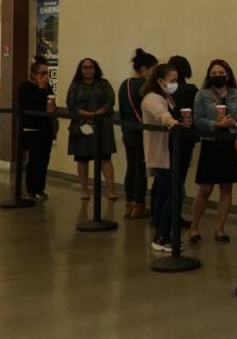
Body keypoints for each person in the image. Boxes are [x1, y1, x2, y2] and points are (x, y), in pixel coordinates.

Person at [190, 59, 237, 243]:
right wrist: (216, 124)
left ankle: (220, 228)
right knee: (205, 188)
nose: (218, 76)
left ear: (228, 75)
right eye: (214, 73)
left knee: (227, 187)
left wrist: (234, 123)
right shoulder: (201, 95)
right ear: (209, 76)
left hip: (230, 144)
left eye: (221, 73)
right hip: (211, 144)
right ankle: (194, 227)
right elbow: (197, 121)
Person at [141, 63, 185, 252]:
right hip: (159, 153)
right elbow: (161, 114)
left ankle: (162, 233)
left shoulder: (165, 96)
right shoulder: (153, 98)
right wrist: (172, 121)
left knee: (164, 193)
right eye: (172, 80)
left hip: (167, 152)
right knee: (177, 193)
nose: (175, 84)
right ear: (160, 81)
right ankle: (161, 235)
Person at [66, 58, 118, 200]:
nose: (88, 70)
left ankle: (111, 190)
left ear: (96, 69)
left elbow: (111, 100)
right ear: (80, 69)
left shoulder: (103, 83)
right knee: (82, 159)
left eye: (91, 67)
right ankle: (84, 190)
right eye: (85, 67)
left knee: (105, 158)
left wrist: (100, 111)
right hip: (82, 125)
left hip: (102, 126)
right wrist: (88, 114)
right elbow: (70, 104)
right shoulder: (75, 85)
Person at [118, 48, 157, 219]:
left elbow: (122, 110)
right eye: (154, 69)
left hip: (127, 131)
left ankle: (130, 203)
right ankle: (140, 205)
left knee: (131, 167)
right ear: (145, 69)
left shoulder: (124, 84)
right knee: (140, 168)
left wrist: (124, 130)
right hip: (142, 132)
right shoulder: (145, 86)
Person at [18, 56, 57, 200]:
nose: (45, 76)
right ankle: (31, 190)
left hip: (45, 129)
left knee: (44, 160)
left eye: (47, 73)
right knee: (34, 160)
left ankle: (41, 188)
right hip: (31, 129)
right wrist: (41, 89)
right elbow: (33, 105)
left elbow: (50, 105)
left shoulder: (48, 87)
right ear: (34, 73)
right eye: (42, 73)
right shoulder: (25, 87)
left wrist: (52, 108)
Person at [167, 55, 199, 188]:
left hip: (166, 135)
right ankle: (176, 206)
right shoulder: (191, 89)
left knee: (165, 177)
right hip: (186, 137)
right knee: (180, 175)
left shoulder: (165, 89)